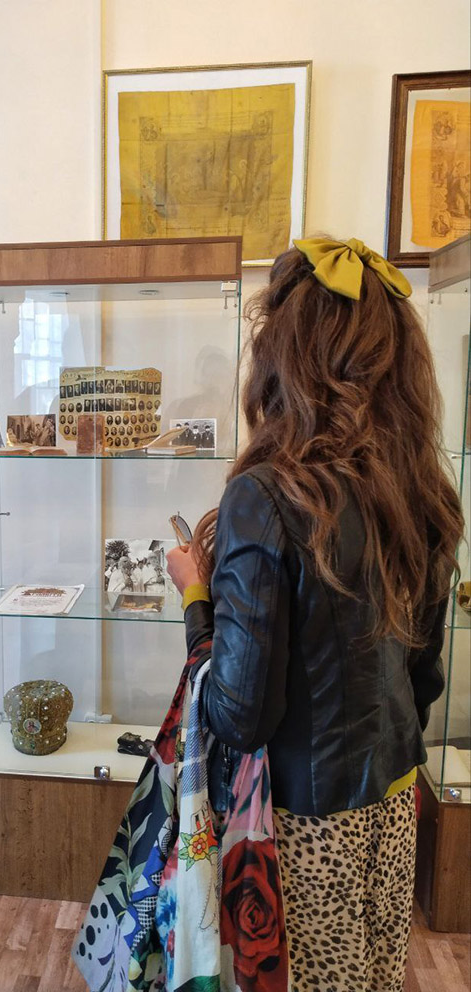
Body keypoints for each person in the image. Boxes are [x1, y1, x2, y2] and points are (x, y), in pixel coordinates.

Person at [167, 237, 464, 992]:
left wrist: (196, 597)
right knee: (372, 976)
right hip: (394, 796)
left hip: (303, 823)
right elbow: (423, 675)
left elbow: (239, 715)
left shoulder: (267, 495)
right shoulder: (421, 487)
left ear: (286, 359)